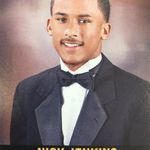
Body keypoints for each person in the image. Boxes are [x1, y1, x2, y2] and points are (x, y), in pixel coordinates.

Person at [10, 0, 150, 146]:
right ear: (49, 26)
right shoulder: (27, 91)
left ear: (105, 30)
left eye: (84, 21)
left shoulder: (140, 95)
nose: (71, 32)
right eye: (62, 19)